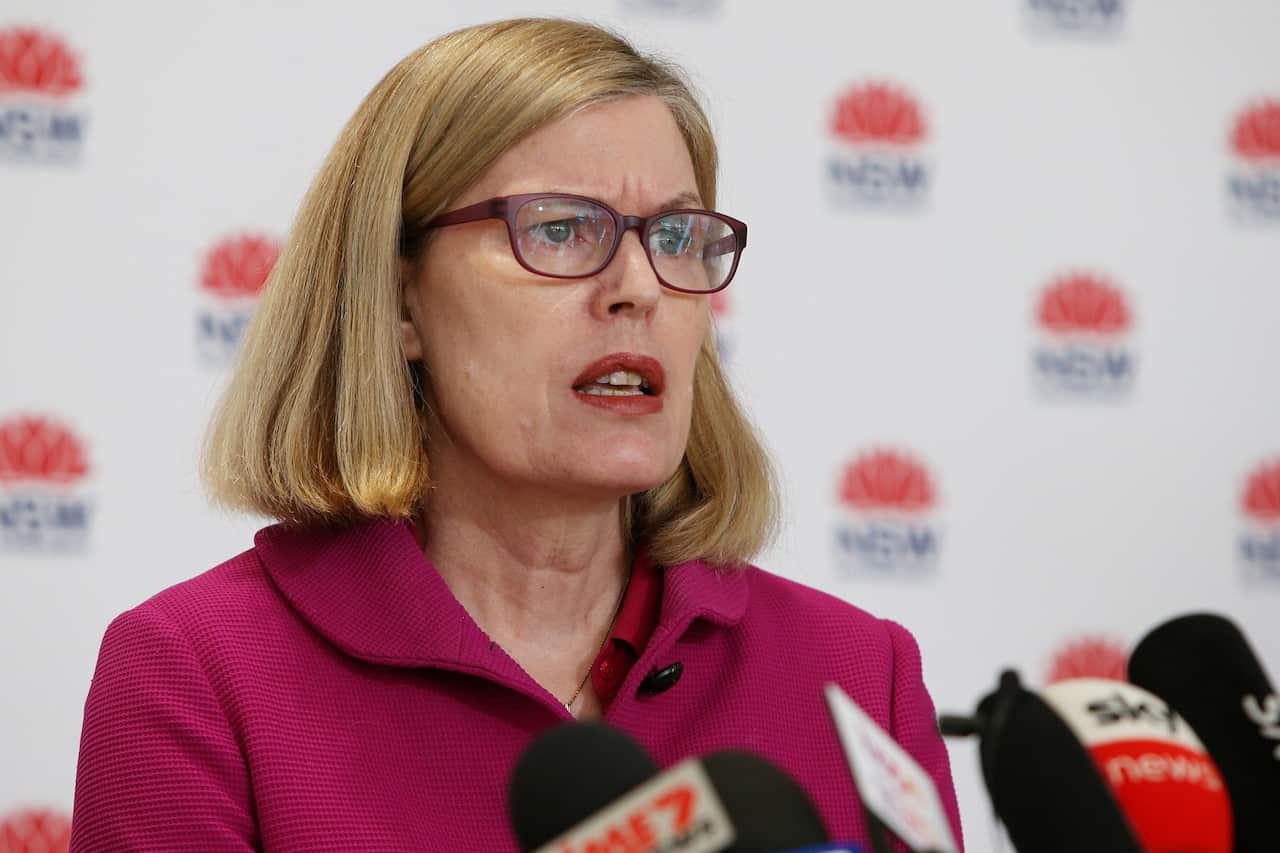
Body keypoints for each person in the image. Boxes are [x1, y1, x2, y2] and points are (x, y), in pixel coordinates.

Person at [69, 17, 963, 852]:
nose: (639, 287)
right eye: (562, 228)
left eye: (678, 235)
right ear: (398, 299)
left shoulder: (858, 675)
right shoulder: (197, 672)